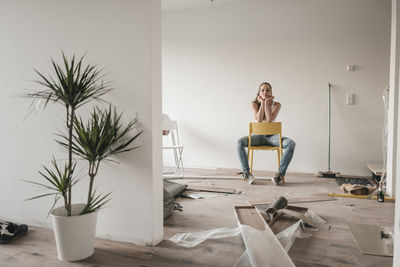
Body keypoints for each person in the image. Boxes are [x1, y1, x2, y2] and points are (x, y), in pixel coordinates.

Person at [237, 82, 296, 185]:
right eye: (262, 90)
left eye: (267, 90)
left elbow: (269, 119)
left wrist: (266, 103)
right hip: (257, 137)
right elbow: (259, 119)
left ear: (271, 92)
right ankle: (246, 172)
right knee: (239, 142)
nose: (265, 92)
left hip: (272, 137)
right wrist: (263, 103)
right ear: (259, 93)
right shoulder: (254, 104)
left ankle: (280, 175)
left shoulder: (277, 104)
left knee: (291, 143)